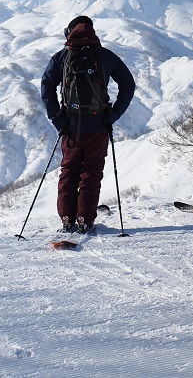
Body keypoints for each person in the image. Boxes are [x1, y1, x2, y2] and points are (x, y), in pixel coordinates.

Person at [41, 15, 136, 233]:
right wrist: (113, 115)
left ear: (69, 32)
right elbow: (128, 85)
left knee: (69, 171)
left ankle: (66, 217)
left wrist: (57, 118)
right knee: (91, 174)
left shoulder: (62, 57)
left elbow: (46, 86)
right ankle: (85, 218)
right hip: (99, 126)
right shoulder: (105, 56)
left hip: (71, 127)